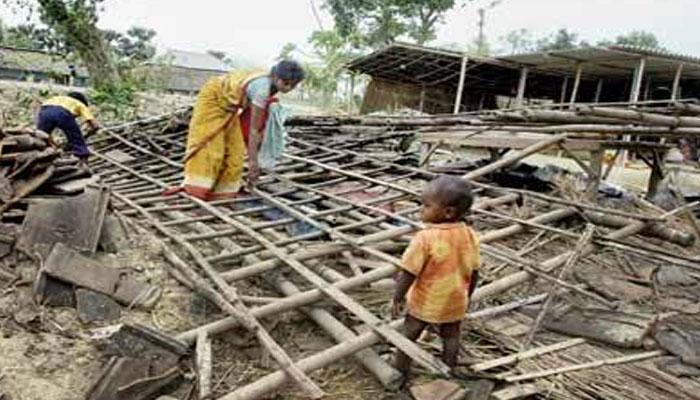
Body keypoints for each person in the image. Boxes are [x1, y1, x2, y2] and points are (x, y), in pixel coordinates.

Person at [392, 175, 480, 382]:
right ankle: (448, 368)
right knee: (451, 335)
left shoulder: (426, 237)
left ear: (448, 212)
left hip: (427, 300)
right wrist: (467, 296)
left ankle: (401, 370)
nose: (420, 209)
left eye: (426, 205)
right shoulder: (469, 234)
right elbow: (475, 271)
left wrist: (398, 297)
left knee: (410, 333)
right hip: (455, 300)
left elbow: (409, 272)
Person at [175, 60, 305, 200]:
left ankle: (222, 193)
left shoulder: (270, 88)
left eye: (293, 85)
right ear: (275, 77)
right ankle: (196, 190)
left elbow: (254, 124)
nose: (288, 88)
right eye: (286, 83)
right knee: (210, 147)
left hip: (230, 107)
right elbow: (254, 130)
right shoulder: (261, 90)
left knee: (235, 150)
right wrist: (253, 164)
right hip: (212, 100)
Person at [37, 91, 100, 161]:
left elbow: (47, 135)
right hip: (62, 113)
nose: (75, 117)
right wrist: (91, 131)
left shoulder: (56, 98)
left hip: (44, 112)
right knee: (76, 137)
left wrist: (54, 145)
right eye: (77, 115)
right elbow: (94, 124)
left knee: (42, 136)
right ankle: (81, 156)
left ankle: (42, 152)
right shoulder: (80, 104)